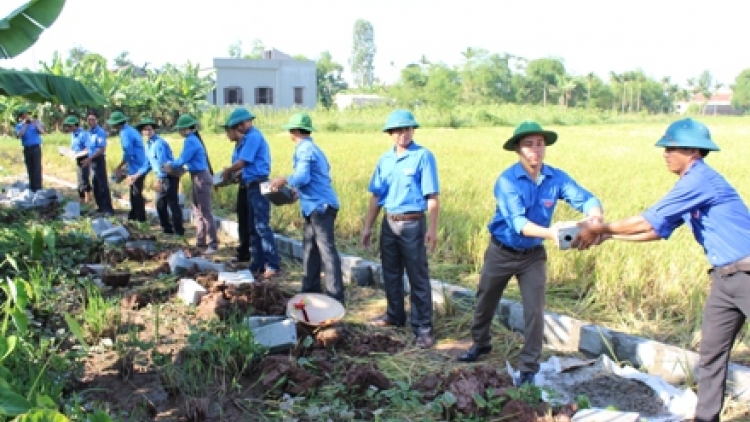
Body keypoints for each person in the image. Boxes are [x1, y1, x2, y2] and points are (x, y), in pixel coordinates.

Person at [573, 118, 750, 422]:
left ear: (692, 150)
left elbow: (646, 220)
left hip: (747, 274)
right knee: (711, 354)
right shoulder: (689, 184)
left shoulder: (700, 180)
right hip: (724, 279)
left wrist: (600, 227)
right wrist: (609, 235)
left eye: (671, 147)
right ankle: (706, 418)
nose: (665, 153)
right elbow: (658, 229)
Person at [457, 121, 603, 387]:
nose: (535, 150)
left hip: (532, 256)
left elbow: (585, 198)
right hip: (501, 251)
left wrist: (595, 217)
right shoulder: (507, 181)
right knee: (485, 301)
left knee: (534, 310)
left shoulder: (555, 178)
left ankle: (528, 367)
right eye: (528, 144)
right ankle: (480, 343)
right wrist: (554, 233)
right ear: (518, 150)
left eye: (539, 143)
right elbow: (518, 223)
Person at [361, 109, 440, 349]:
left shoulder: (423, 157)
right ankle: (394, 315)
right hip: (389, 222)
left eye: (406, 129)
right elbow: (376, 196)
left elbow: (432, 196)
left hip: (413, 223)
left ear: (412, 130)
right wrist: (367, 227)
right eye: (397, 130)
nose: (402, 134)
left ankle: (423, 327)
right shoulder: (385, 160)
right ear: (390, 133)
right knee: (391, 271)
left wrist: (433, 229)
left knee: (417, 275)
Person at [269, 113, 344, 304]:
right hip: (314, 206)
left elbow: (302, 176)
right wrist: (297, 192)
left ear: (294, 131)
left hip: (320, 208)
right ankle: (310, 289)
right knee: (310, 249)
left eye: (290, 130)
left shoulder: (305, 149)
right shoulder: (313, 148)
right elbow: (317, 177)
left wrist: (283, 179)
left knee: (326, 252)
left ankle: (335, 297)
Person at [219, 108, 281, 279]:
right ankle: (258, 264)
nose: (240, 128)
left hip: (259, 184)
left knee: (262, 226)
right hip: (251, 184)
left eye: (240, 125)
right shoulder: (247, 138)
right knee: (254, 227)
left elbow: (243, 161)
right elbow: (246, 166)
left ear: (241, 124)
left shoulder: (253, 136)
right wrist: (237, 174)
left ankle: (272, 265)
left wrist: (228, 171)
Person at [167, 114, 218, 254]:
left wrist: (169, 165)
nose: (179, 131)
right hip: (196, 176)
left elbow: (182, 159)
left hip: (201, 177)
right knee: (197, 210)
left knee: (205, 211)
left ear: (187, 129)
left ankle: (213, 243)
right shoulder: (193, 140)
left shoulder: (191, 141)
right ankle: (201, 241)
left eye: (181, 129)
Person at [128, 118, 184, 236]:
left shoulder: (159, 144)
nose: (148, 132)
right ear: (142, 132)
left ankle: (179, 231)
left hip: (168, 177)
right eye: (145, 130)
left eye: (150, 129)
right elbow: (147, 164)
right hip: (162, 177)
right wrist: (135, 176)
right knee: (160, 204)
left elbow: (163, 164)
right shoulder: (148, 145)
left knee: (172, 203)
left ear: (153, 130)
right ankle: (167, 229)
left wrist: (160, 180)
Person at [107, 111, 147, 221]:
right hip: (139, 164)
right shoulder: (131, 130)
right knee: (135, 192)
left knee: (136, 193)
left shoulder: (125, 133)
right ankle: (133, 216)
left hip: (137, 166)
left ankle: (140, 218)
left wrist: (119, 167)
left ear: (117, 124)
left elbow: (129, 153)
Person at [219, 123, 250, 262]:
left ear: (235, 130)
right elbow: (237, 171)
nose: (227, 136)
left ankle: (258, 256)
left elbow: (245, 165)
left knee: (253, 222)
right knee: (242, 219)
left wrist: (229, 171)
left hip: (253, 185)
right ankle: (243, 252)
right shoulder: (237, 147)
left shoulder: (249, 142)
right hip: (243, 185)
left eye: (228, 132)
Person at [80, 110, 114, 215]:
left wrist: (90, 159)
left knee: (102, 184)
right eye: (89, 120)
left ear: (96, 120)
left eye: (93, 119)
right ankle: (100, 206)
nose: (91, 122)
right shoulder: (88, 133)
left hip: (98, 160)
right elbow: (88, 147)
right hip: (91, 160)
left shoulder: (100, 132)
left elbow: (101, 149)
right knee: (95, 184)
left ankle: (108, 208)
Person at [62, 116, 92, 204]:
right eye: (68, 126)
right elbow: (73, 147)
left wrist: (80, 154)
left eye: (70, 126)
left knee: (84, 178)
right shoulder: (73, 135)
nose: (69, 128)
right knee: (79, 179)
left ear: (75, 125)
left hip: (84, 158)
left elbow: (88, 148)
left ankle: (88, 198)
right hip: (77, 157)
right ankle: (81, 198)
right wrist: (65, 152)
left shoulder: (83, 134)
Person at [14, 107, 44, 192]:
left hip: (36, 148)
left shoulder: (36, 122)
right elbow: (19, 135)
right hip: (27, 148)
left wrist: (35, 124)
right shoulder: (19, 126)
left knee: (37, 167)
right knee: (30, 167)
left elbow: (42, 131)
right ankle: (32, 186)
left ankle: (38, 187)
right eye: (24, 115)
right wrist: (25, 125)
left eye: (27, 114)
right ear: (21, 117)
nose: (26, 116)